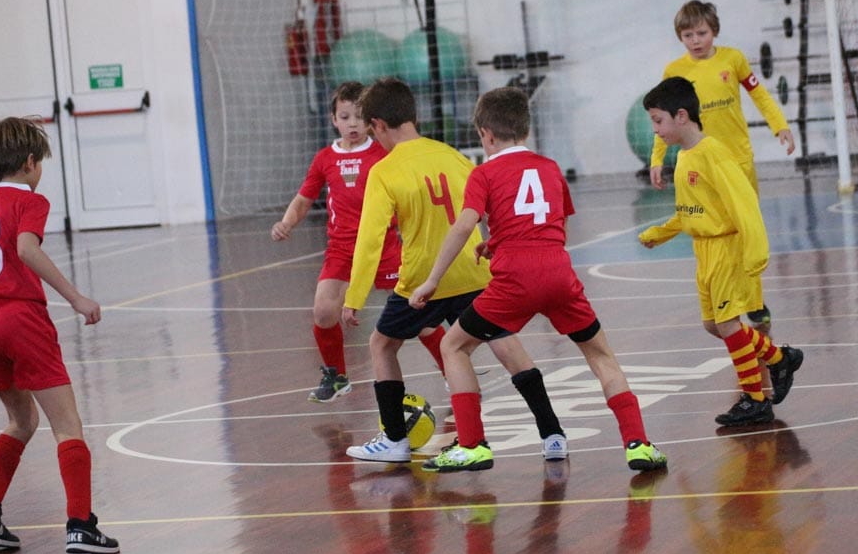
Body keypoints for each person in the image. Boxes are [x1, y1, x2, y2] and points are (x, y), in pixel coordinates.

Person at [410, 86, 667, 472]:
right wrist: (502, 242)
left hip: (514, 281)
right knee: (600, 355)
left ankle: (472, 445)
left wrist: (432, 280)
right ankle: (638, 444)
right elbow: (553, 225)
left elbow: (464, 226)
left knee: (453, 346)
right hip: (559, 275)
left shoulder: (483, 173)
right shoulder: (549, 168)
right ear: (526, 130)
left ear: (486, 134)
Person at [341, 78, 568, 463]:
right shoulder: (453, 156)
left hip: (423, 281)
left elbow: (370, 240)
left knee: (381, 344)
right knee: (506, 345)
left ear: (378, 125)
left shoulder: (384, 170)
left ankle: (394, 440)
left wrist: (355, 296)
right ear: (413, 115)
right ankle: (552, 434)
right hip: (473, 272)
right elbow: (489, 207)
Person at [638, 77, 803, 427]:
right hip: (704, 252)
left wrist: (755, 251)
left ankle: (755, 399)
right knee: (713, 325)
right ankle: (780, 358)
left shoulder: (714, 153)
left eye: (658, 120)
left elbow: (744, 204)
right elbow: (690, 212)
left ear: (681, 116)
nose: (655, 130)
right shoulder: (684, 157)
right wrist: (660, 234)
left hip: (728, 248)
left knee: (728, 325)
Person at [271, 81, 446, 403]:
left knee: (418, 313)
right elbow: (304, 198)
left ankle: (451, 369)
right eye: (345, 116)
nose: (352, 124)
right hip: (342, 249)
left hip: (383, 246)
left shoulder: (383, 153)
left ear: (371, 121)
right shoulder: (325, 158)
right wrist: (286, 222)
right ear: (333, 119)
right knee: (324, 311)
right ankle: (336, 377)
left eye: (359, 117)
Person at [0, 116, 118, 554]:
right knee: (66, 424)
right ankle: (81, 525)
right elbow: (26, 249)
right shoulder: (29, 201)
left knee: (22, 420)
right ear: (30, 162)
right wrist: (76, 297)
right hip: (21, 319)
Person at [649, 0, 795, 348]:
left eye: (701, 33)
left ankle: (755, 303)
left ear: (714, 31)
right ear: (680, 37)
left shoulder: (734, 60)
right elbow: (663, 117)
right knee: (714, 232)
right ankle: (726, 299)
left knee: (745, 228)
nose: (695, 40)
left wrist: (780, 126)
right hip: (702, 167)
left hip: (738, 161)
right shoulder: (674, 71)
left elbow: (760, 96)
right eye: (688, 35)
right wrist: (658, 158)